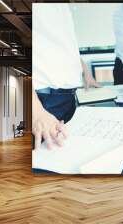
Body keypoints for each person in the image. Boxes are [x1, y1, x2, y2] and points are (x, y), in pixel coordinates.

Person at [32, 4, 99, 149]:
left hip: (67, 99)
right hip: (43, 102)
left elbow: (63, 43)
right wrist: (36, 111)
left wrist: (84, 70)